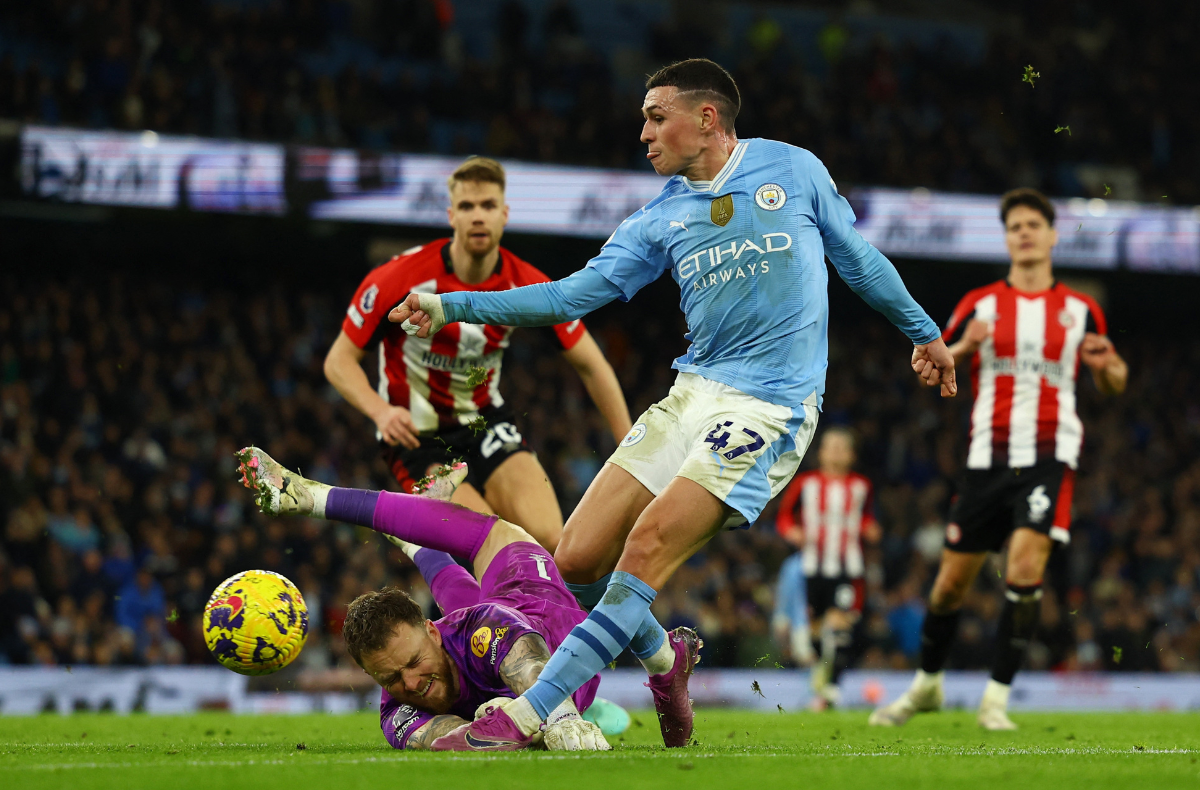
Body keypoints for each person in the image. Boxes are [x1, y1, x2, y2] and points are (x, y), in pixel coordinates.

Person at [391, 58, 956, 750]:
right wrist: (450, 304)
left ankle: (528, 713)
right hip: (692, 393)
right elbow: (568, 297)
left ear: (706, 119)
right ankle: (667, 660)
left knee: (648, 544)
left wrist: (926, 333)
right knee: (573, 559)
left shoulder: (793, 171)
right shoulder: (658, 217)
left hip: (769, 406)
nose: (644, 134)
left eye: (656, 117)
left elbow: (859, 258)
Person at [869, 188, 1128, 731]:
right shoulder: (981, 304)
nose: (1025, 233)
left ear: (1053, 236)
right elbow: (936, 360)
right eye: (1016, 226)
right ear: (1007, 238)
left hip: (1050, 454)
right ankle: (927, 686)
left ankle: (995, 700)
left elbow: (1114, 381)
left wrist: (1106, 368)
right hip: (987, 458)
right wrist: (965, 346)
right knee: (949, 586)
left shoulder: (1082, 310)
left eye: (1035, 224)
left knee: (1025, 568)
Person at [323, 156, 631, 552]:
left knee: (554, 545)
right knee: (494, 544)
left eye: (487, 206)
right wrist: (380, 412)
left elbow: (592, 364)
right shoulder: (398, 278)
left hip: (484, 422)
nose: (478, 216)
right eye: (467, 207)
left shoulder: (525, 283)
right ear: (451, 215)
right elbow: (338, 361)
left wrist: (629, 448)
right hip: (419, 438)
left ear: (504, 215)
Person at [235, 446, 614, 751]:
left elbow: (534, 671)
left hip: (526, 590)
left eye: (414, 662)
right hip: (478, 629)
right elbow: (448, 740)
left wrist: (560, 716)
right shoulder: (396, 710)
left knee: (493, 535)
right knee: (469, 616)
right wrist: (504, 726)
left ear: (433, 632)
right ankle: (421, 527)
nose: (412, 684)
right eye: (392, 677)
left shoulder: (486, 628)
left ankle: (309, 496)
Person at [774, 427, 880, 709]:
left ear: (851, 455)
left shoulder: (861, 486)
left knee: (842, 626)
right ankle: (822, 685)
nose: (835, 452)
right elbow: (783, 517)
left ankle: (831, 688)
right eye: (830, 446)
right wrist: (792, 533)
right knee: (817, 631)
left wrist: (870, 529)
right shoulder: (805, 484)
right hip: (812, 569)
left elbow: (866, 517)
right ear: (820, 453)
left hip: (848, 568)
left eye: (841, 447)